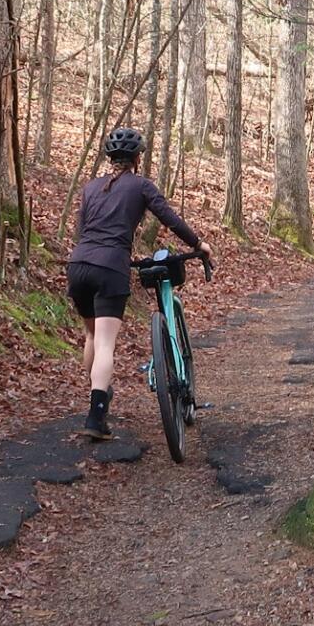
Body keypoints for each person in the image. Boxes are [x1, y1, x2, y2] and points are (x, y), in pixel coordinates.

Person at [67, 128, 210, 438]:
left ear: (110, 158)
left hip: (78, 265)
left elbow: (83, 230)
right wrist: (199, 244)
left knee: (91, 336)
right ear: (137, 158)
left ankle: (99, 393)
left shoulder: (90, 188)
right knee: (106, 343)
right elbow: (169, 218)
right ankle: (95, 416)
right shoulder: (141, 186)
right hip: (110, 266)